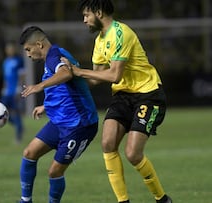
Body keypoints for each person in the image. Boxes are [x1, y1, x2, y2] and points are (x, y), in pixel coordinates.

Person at [61, 1, 172, 202]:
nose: (84, 20)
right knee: (107, 143)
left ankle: (162, 198)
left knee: (133, 154)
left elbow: (114, 76)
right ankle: (123, 201)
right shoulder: (99, 41)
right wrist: (70, 78)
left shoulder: (121, 33)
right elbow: (95, 78)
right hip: (123, 96)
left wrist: (78, 71)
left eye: (86, 15)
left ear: (99, 12)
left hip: (148, 94)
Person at [18, 26, 99, 203]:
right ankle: (25, 201)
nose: (28, 55)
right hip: (60, 121)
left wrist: (38, 87)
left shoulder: (54, 56)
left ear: (39, 44)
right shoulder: (55, 56)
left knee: (54, 171)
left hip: (79, 125)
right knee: (29, 153)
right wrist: (46, 106)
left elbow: (66, 74)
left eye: (28, 50)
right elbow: (66, 89)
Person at [1, 41, 25, 144]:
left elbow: (22, 75)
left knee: (16, 112)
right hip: (7, 92)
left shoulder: (19, 61)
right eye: (8, 48)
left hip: (15, 90)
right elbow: (6, 77)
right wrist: (3, 88)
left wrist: (19, 88)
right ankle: (19, 126)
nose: (9, 50)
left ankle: (18, 137)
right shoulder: (5, 62)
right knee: (2, 113)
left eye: (11, 48)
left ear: (14, 49)